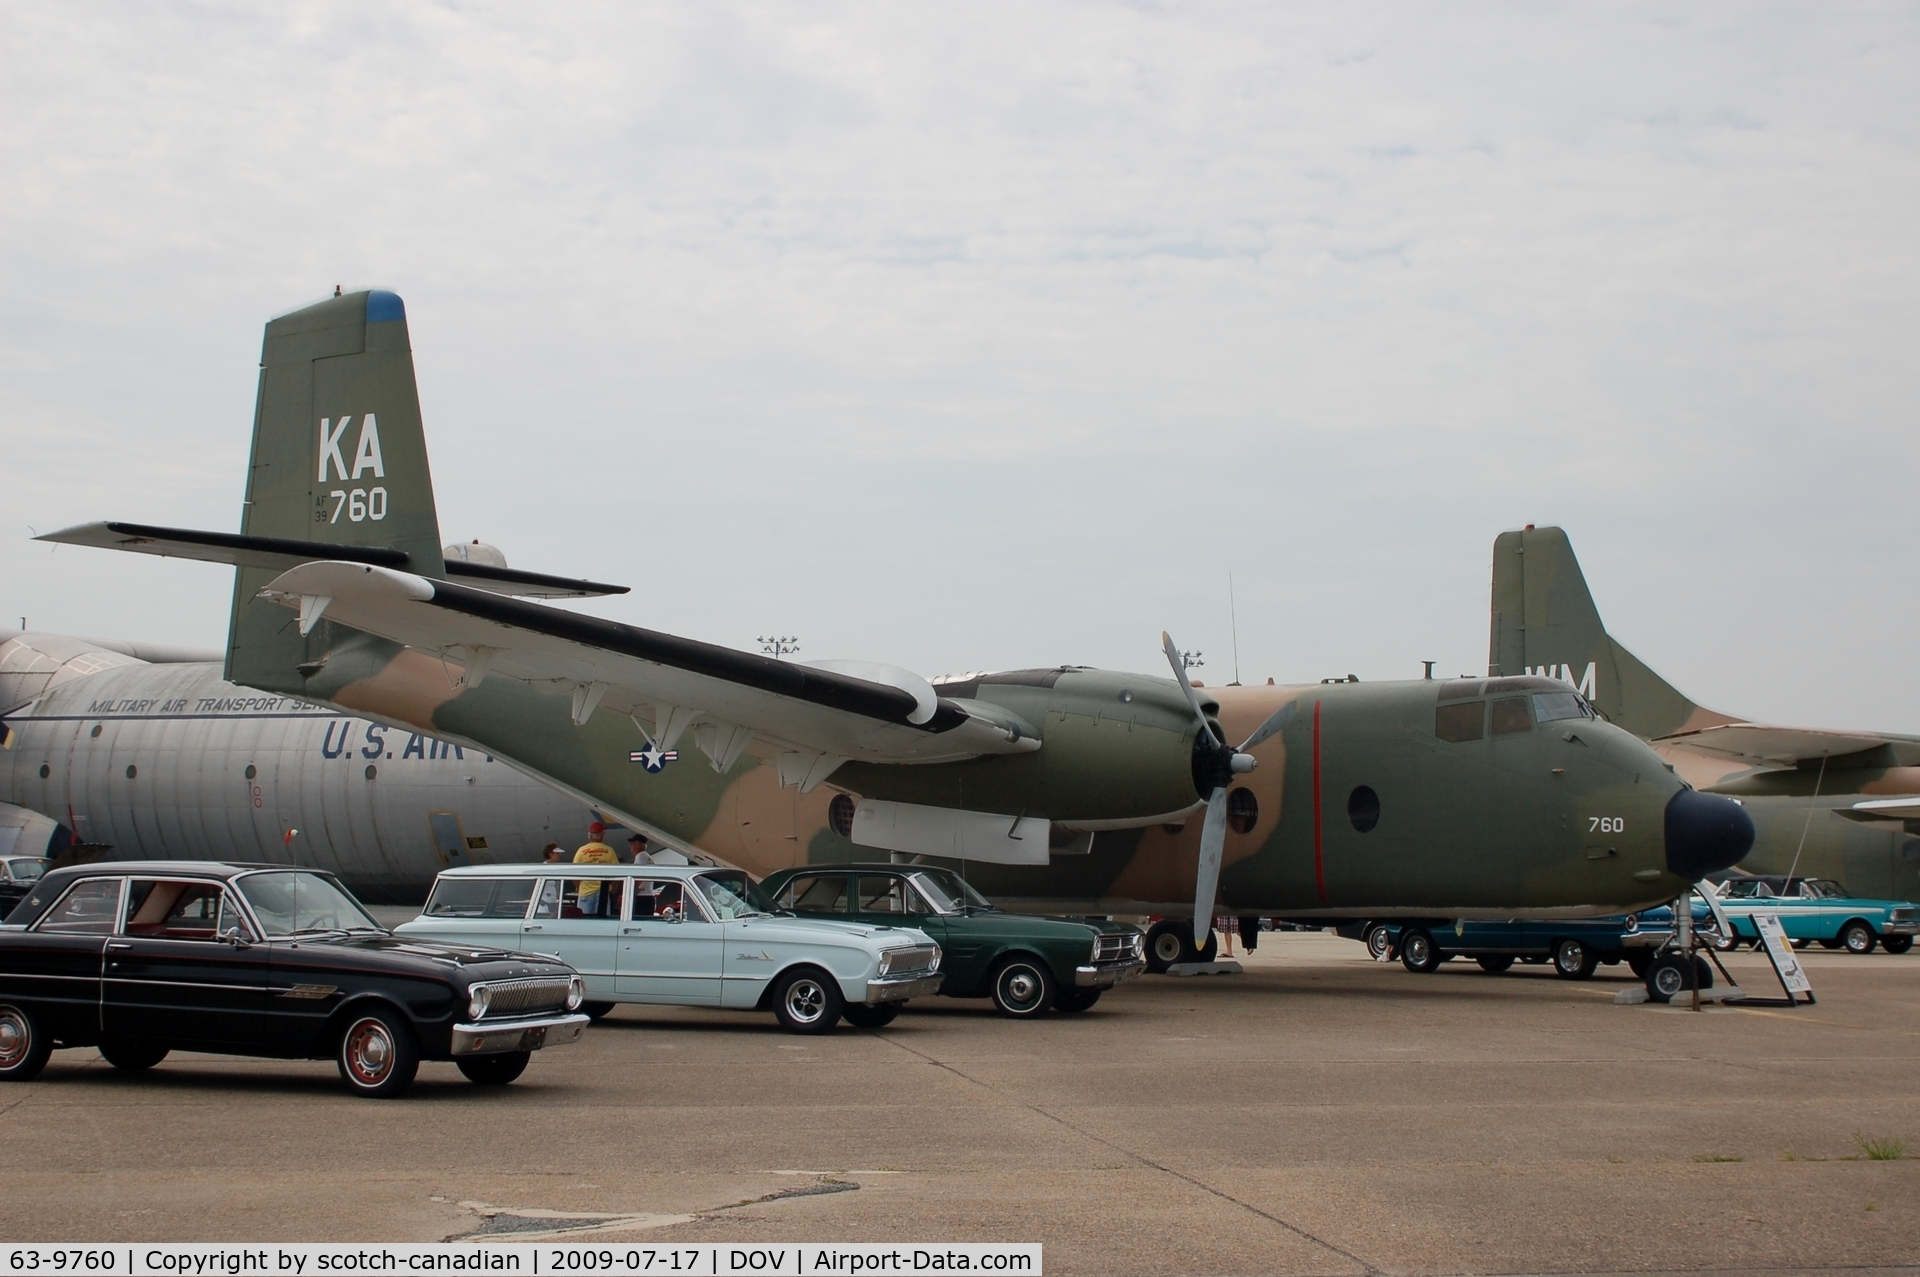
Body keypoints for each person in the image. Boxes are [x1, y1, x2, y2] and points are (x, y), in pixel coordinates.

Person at [574, 822, 618, 915]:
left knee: (584, 920)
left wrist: (578, 886)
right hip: (603, 892)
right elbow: (617, 872)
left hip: (585, 891)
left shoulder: (581, 851)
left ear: (589, 835)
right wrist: (613, 888)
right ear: (602, 834)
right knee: (602, 922)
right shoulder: (609, 851)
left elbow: (574, 872)